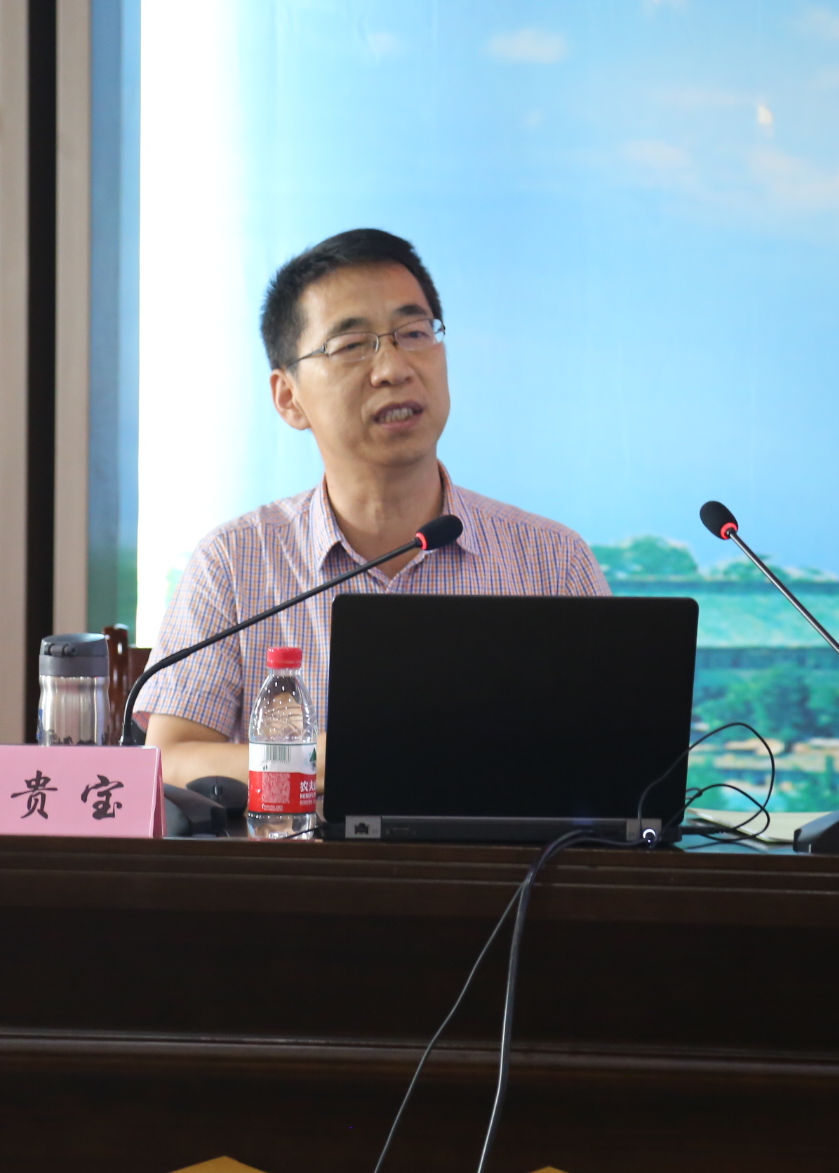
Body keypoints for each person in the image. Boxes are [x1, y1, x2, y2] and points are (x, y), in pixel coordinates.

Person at [138, 228, 609, 787]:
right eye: (352, 345)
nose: (394, 369)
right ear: (289, 397)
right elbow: (168, 764)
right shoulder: (236, 561)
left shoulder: (552, 562)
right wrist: (331, 758)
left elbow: (617, 766)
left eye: (414, 333)